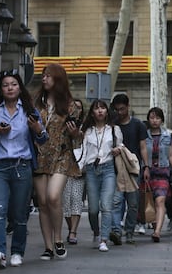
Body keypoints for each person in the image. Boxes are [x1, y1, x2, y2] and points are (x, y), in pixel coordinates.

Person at [0, 70, 47, 268]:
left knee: (19, 214)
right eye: (5, 85)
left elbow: (43, 139)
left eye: (14, 84)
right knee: (0, 210)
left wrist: (38, 130)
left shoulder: (29, 110)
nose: (10, 88)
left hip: (22, 166)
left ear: (20, 88)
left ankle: (17, 251)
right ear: (0, 90)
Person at [33, 64, 81, 260]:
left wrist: (75, 133)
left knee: (53, 197)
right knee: (42, 202)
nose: (44, 79)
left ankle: (59, 238)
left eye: (48, 76)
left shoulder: (71, 106)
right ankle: (48, 246)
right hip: (38, 155)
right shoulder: (36, 103)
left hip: (62, 155)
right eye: (43, 76)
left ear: (58, 79)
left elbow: (77, 139)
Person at [80, 99, 123, 252]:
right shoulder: (87, 131)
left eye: (103, 108)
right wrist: (80, 168)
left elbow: (121, 145)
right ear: (92, 112)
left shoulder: (114, 129)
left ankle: (103, 239)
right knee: (92, 209)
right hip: (91, 169)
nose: (100, 111)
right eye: (97, 109)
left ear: (107, 111)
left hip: (108, 169)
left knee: (106, 205)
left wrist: (118, 149)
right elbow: (83, 152)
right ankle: (96, 231)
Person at [109, 94, 148, 245]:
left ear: (128, 107)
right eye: (117, 109)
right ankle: (117, 231)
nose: (119, 112)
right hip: (116, 168)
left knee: (133, 203)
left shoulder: (138, 125)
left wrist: (146, 167)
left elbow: (143, 147)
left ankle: (129, 231)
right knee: (117, 201)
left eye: (122, 109)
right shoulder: (112, 126)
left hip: (133, 169)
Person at [144, 107, 172, 242]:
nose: (154, 121)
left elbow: (170, 155)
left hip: (162, 172)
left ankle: (158, 231)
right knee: (150, 202)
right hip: (147, 172)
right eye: (152, 118)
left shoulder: (167, 136)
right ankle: (154, 227)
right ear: (148, 119)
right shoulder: (144, 135)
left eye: (157, 118)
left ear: (162, 120)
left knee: (160, 200)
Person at [62, 98, 85, 245]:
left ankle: (73, 232)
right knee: (65, 202)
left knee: (76, 199)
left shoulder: (86, 127)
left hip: (79, 167)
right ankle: (71, 227)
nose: (75, 110)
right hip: (63, 166)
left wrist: (77, 134)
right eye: (73, 106)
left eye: (78, 107)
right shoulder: (60, 124)